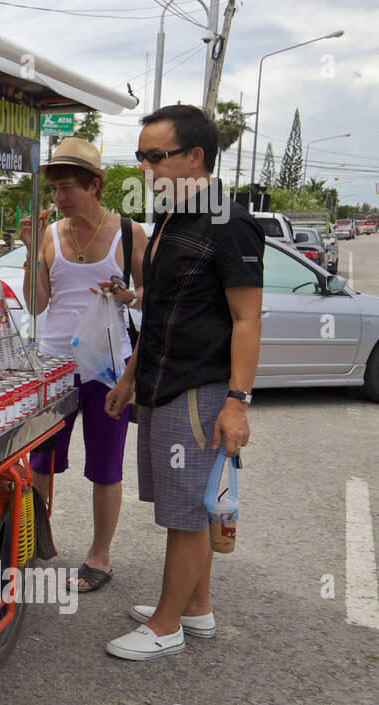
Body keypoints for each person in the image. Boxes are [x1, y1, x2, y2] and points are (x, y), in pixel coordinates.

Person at [103, 104, 264, 661]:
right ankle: (195, 608)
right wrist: (130, 375)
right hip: (158, 382)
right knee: (181, 505)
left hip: (199, 388)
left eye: (156, 157)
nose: (145, 169)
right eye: (140, 158)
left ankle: (166, 626)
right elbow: (163, 310)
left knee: (187, 513)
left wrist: (237, 405)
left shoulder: (230, 222)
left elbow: (247, 319)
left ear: (195, 157)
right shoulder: (170, 219)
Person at [18, 137, 148, 592]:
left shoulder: (130, 232)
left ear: (95, 185)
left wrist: (130, 295)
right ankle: (32, 543)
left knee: (106, 464)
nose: (58, 198)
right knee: (41, 461)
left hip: (108, 368)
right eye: (53, 189)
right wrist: (34, 252)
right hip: (54, 367)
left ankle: (99, 557)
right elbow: (36, 306)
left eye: (67, 187)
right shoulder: (51, 234)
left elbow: (153, 293)